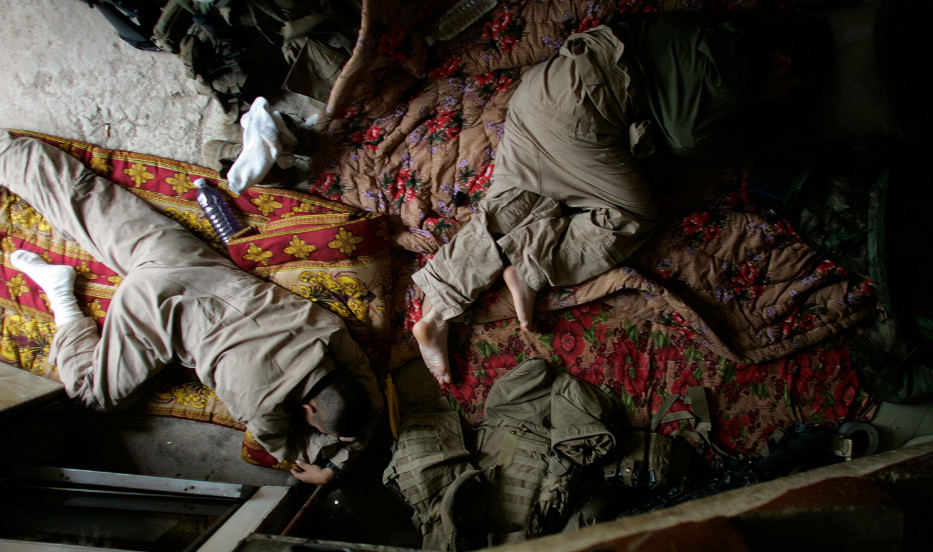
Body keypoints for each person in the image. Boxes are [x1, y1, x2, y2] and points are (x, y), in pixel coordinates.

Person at [411, 13, 830, 385]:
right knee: (631, 214)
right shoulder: (734, 74)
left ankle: (433, 314)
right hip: (582, 110)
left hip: (539, 94)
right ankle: (530, 265)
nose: (784, 98)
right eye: (789, 88)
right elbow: (686, 140)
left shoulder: (718, 29)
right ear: (781, 64)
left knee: (514, 202)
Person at [0, 131, 383, 485]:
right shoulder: (262, 408)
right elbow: (292, 452)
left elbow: (366, 383)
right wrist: (334, 465)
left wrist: (349, 419)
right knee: (92, 397)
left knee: (86, 201)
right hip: (152, 310)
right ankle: (60, 293)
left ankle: (9, 153)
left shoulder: (328, 330)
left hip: (187, 262)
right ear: (308, 410)